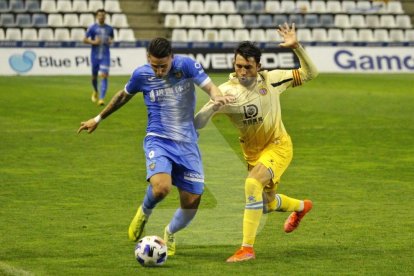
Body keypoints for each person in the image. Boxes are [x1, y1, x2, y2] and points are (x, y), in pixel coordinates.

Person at [77, 37, 234, 256]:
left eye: (163, 66)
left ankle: (169, 232)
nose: (159, 72)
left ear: (172, 58)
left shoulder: (186, 65)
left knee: (191, 202)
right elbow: (123, 96)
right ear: (148, 59)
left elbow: (209, 86)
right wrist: (98, 118)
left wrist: (218, 97)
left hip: (187, 143)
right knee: (162, 188)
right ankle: (144, 212)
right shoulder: (141, 75)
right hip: (158, 139)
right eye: (155, 66)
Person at [194, 23, 318, 262]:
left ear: (258, 67)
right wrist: (213, 107)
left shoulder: (272, 80)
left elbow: (311, 73)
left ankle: (246, 249)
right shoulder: (225, 91)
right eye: (238, 66)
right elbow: (197, 123)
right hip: (253, 155)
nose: (242, 71)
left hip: (279, 146)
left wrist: (297, 47)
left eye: (248, 67)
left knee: (252, 184)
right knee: (266, 205)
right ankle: (302, 207)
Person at [83, 9, 114, 106]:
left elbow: (111, 38)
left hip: (105, 55)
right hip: (95, 56)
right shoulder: (92, 28)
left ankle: (101, 99)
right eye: (100, 15)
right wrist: (94, 42)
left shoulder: (109, 28)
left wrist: (110, 41)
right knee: (94, 77)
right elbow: (84, 39)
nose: (102, 17)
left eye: (103, 15)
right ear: (97, 16)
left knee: (104, 76)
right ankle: (95, 91)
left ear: (105, 17)